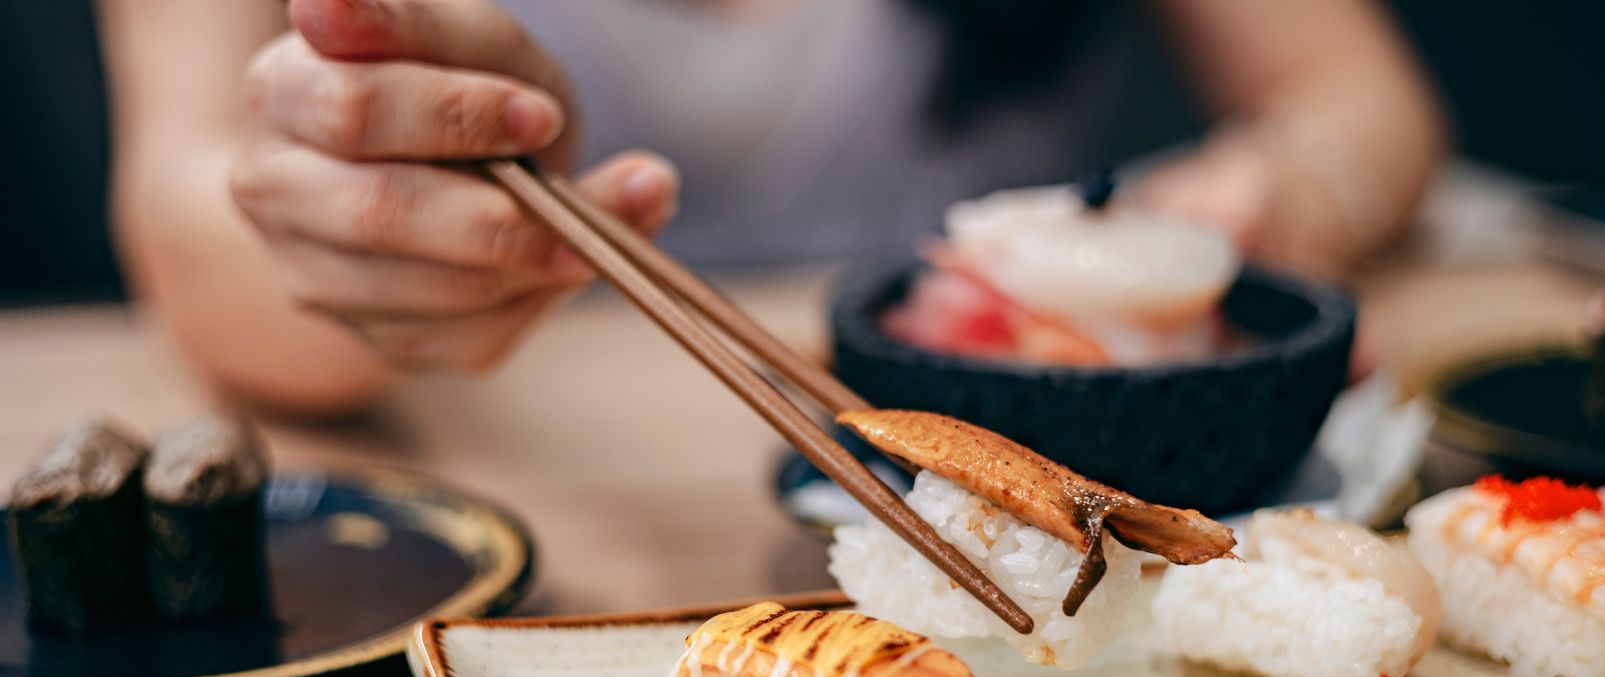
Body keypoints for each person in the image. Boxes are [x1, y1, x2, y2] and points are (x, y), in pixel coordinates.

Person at [97, 0, 1446, 419]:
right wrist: (396, 249)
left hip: (1016, 474)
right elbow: (186, 210)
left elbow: (1354, 89)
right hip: (537, 526)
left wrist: (1283, 188)